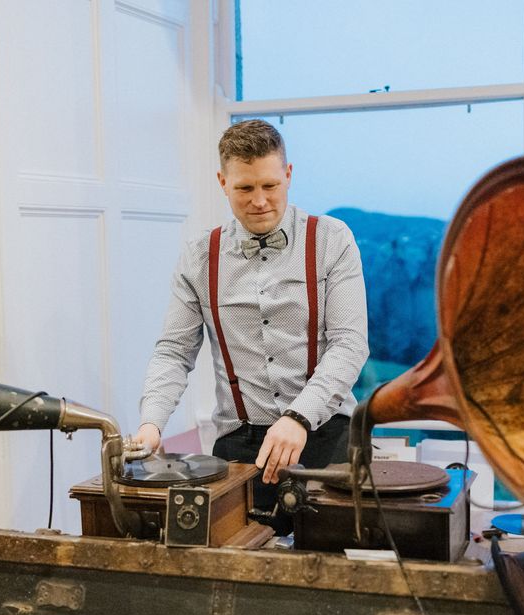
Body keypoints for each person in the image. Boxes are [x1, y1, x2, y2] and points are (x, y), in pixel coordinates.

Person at [134, 119, 369, 525]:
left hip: (327, 437)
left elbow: (349, 344)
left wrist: (297, 418)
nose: (259, 201)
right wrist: (152, 423)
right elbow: (174, 351)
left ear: (288, 175)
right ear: (223, 182)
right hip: (240, 449)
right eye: (245, 188)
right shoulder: (199, 256)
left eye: (270, 186)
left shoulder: (332, 240)